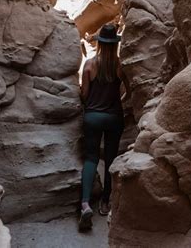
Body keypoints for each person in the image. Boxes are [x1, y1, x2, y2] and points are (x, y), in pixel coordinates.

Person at [78, 23, 130, 231]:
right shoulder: (119, 66)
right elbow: (128, 91)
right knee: (109, 158)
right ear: (115, 44)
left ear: (99, 44)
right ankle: (105, 202)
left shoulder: (90, 65)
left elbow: (84, 95)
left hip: (92, 117)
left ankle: (84, 204)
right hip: (113, 118)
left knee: (91, 159)